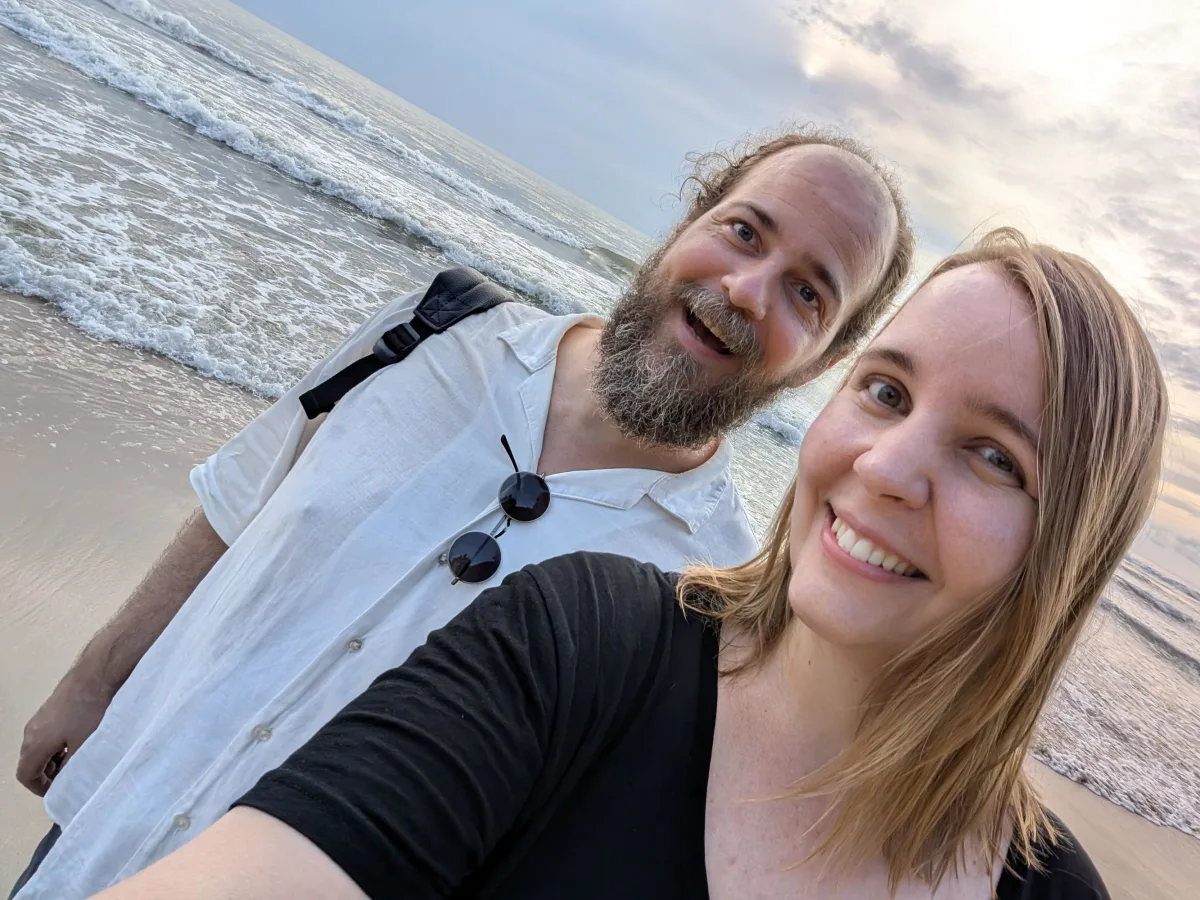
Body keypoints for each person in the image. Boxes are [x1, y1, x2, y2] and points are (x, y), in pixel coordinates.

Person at [90, 228, 1166, 900]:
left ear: (1069, 549)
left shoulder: (1049, 888)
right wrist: (95, 685)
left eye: (993, 454)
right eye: (888, 392)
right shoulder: (583, 641)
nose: (888, 465)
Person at [11, 126, 914, 899]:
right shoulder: (432, 328)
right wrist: (93, 679)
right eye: (745, 231)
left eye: (809, 292)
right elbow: (240, 502)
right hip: (107, 816)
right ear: (687, 223)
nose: (750, 291)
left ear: (817, 362)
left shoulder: (704, 600)